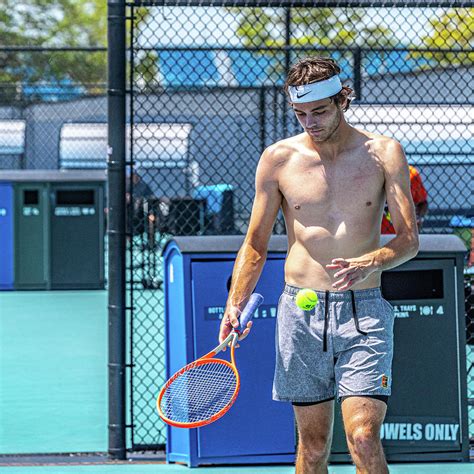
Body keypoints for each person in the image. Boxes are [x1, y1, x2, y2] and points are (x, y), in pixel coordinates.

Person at [219, 57, 419, 474]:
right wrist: (233, 304)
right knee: (311, 448)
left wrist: (372, 261)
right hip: (300, 315)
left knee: (363, 436)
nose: (310, 121)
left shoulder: (384, 153)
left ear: (343, 99)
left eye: (320, 111)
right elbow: (255, 244)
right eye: (301, 113)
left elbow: (408, 240)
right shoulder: (278, 159)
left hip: (364, 310)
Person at [381, 165, 428, 234]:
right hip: (377, 235)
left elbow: (423, 203)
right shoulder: (373, 174)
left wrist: (418, 218)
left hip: (404, 235)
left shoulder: (411, 173)